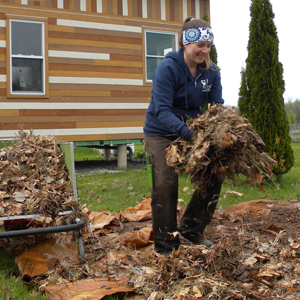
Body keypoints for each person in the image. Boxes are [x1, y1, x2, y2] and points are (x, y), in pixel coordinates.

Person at [143, 17, 224, 254]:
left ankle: (192, 229)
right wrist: (189, 135)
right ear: (185, 43)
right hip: (161, 133)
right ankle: (167, 246)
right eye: (200, 45)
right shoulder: (167, 69)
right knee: (165, 185)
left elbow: (216, 105)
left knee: (214, 173)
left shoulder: (211, 72)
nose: (204, 51)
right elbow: (162, 110)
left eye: (208, 46)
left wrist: (217, 130)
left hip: (192, 132)